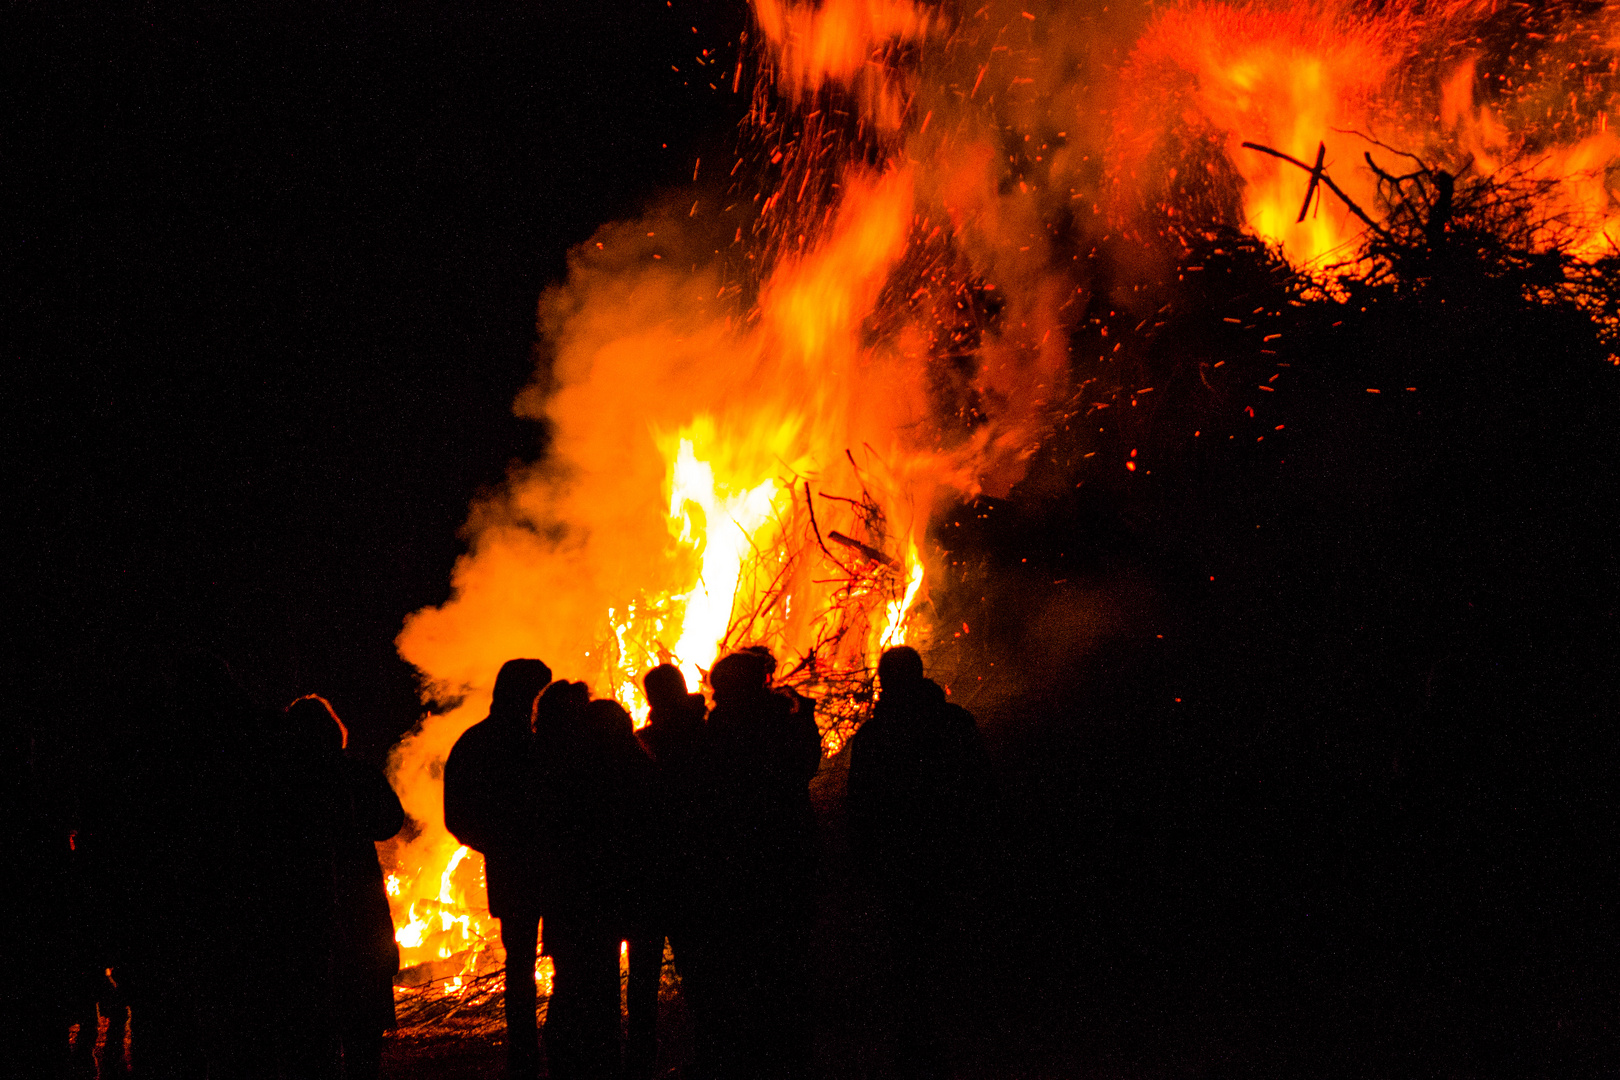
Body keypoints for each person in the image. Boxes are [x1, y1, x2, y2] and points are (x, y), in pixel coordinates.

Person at [846, 646, 992, 1080]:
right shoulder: (956, 724)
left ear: (886, 683)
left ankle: (919, 1046)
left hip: (901, 866)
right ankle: (946, 1045)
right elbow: (981, 793)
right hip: (947, 859)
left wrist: (866, 865)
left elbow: (861, 810)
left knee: (909, 956)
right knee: (943, 951)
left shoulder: (875, 737)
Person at [701, 649, 822, 1080]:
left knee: (749, 951)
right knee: (786, 948)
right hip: (784, 844)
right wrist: (804, 716)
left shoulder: (718, 726)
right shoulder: (777, 719)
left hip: (740, 852)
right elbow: (807, 764)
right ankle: (788, 1045)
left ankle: (754, 1046)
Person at [443, 658, 553, 1080]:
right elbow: (459, 816)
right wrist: (502, 844)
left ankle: (531, 1053)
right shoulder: (531, 743)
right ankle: (534, 1053)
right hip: (535, 869)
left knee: (523, 964)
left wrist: (495, 845)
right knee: (534, 962)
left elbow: (458, 818)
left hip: (521, 870)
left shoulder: (481, 742)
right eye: (534, 692)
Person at [286, 695, 405, 1080]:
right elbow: (389, 821)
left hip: (305, 915)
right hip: (357, 908)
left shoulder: (280, 780)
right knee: (361, 1036)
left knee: (312, 1039)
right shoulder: (354, 773)